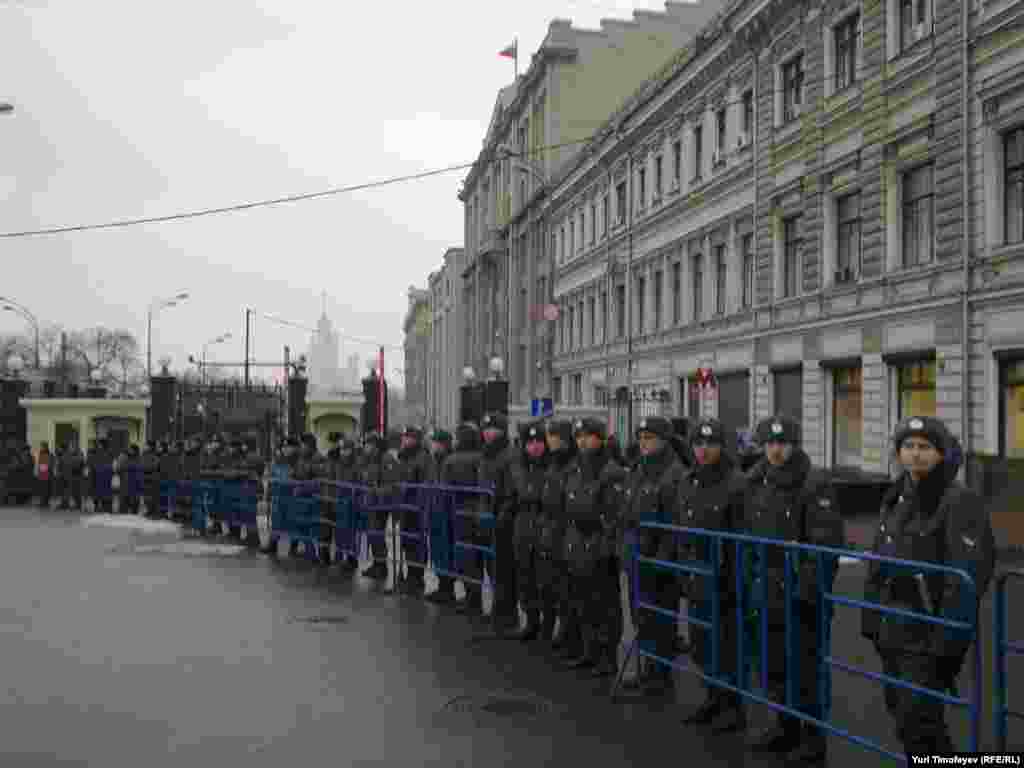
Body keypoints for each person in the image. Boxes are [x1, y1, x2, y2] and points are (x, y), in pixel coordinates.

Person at [862, 416, 995, 755]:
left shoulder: (957, 500)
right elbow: (879, 563)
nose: (915, 454)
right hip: (891, 626)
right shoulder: (897, 497)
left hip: (927, 632)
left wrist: (947, 643)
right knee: (902, 715)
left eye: (925, 447)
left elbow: (966, 576)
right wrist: (871, 618)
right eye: (908, 446)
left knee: (919, 721)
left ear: (941, 454)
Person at [744, 415, 842, 763]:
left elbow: (824, 546)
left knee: (805, 667)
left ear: (794, 445)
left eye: (782, 443)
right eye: (769, 443)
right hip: (765, 587)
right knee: (773, 664)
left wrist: (806, 593)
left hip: (799, 593)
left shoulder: (813, 483)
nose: (775, 450)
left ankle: (813, 737)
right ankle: (784, 726)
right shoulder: (758, 481)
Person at [672, 418, 746, 732]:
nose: (703, 450)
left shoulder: (736, 483)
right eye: (698, 444)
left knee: (727, 644)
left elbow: (743, 535)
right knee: (702, 642)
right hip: (695, 572)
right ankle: (713, 697)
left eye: (710, 444)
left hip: (725, 577)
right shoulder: (689, 480)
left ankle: (733, 706)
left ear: (722, 446)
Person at [619, 416, 687, 696]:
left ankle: (661, 674)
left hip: (659, 559)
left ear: (664, 440)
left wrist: (662, 559)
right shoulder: (639, 469)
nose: (644, 443)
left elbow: (674, 522)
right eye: (642, 437)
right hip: (638, 554)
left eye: (650, 438)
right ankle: (648, 668)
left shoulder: (674, 473)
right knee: (641, 615)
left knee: (662, 618)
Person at [563, 417, 627, 677]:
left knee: (606, 603)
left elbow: (614, 514)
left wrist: (605, 541)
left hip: (600, 545)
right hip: (578, 543)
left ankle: (607, 655)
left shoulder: (611, 471)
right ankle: (589, 651)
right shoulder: (575, 468)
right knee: (583, 599)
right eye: (579, 437)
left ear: (600, 438)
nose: (582, 441)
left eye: (588, 436)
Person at [476, 412, 520, 633]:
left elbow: (513, 491)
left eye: (493, 429)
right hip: (488, 518)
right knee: (492, 568)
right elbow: (482, 489)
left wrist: (502, 515)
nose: (488, 433)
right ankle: (498, 609)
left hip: (505, 520)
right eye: (486, 429)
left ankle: (507, 615)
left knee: (505, 569)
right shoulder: (486, 455)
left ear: (502, 431)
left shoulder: (509, 455)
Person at [539, 419, 578, 652]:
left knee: (567, 586)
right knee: (553, 583)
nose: (551, 440)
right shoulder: (553, 463)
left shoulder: (569, 463)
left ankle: (568, 633)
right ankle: (560, 630)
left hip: (564, 529)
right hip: (552, 528)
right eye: (549, 436)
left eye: (556, 436)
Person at [512, 420, 548, 641]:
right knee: (525, 575)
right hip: (523, 526)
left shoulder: (550, 466)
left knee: (544, 578)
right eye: (530, 442)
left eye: (538, 442)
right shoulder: (520, 466)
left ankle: (547, 624)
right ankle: (531, 620)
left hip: (543, 528)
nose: (534, 446)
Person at [442, 423, 483, 612]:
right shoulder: (482, 457)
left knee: (466, 557)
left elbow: (445, 488)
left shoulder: (451, 460)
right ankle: (479, 598)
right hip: (481, 511)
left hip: (459, 512)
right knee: (480, 556)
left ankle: (471, 598)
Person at [396, 426, 432, 595]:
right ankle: (411, 576)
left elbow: (425, 483)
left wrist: (420, 505)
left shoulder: (423, 458)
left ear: (416, 440)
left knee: (417, 544)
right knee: (407, 543)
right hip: (405, 508)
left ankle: (417, 578)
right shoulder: (403, 457)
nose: (404, 440)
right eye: (404, 437)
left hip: (416, 508)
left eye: (408, 437)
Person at [425, 429, 456, 604]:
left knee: (446, 552)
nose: (433, 445)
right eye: (432, 442)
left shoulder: (448, 461)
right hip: (435, 512)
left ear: (444, 444)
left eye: (436, 442)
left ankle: (447, 589)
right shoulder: (433, 461)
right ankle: (442, 586)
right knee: (437, 551)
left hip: (447, 514)